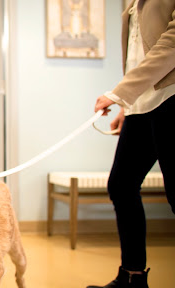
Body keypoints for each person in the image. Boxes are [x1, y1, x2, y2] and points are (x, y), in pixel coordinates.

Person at [88, 1, 174, 287]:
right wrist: (128, 105)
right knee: (122, 186)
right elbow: (138, 56)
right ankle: (132, 277)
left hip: (171, 98)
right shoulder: (131, 5)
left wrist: (119, 94)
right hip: (141, 105)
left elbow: (171, 45)